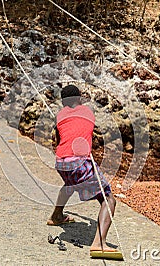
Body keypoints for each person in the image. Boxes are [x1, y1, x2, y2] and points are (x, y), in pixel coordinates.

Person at [46, 85, 122, 260]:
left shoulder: (60, 115)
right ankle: (99, 245)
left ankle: (56, 216)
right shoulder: (87, 112)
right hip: (79, 161)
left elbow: (61, 139)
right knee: (108, 199)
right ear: (79, 99)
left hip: (61, 161)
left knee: (70, 184)